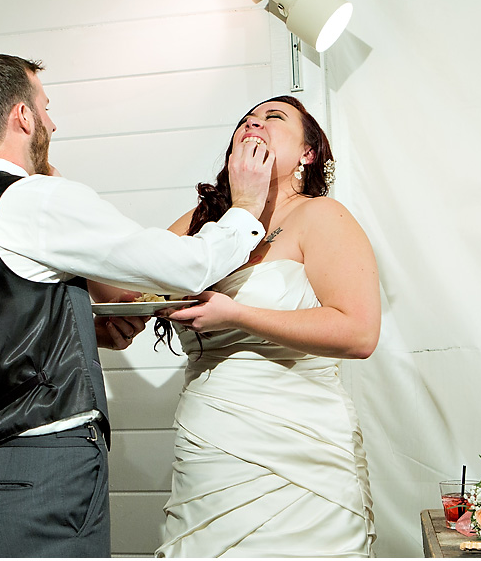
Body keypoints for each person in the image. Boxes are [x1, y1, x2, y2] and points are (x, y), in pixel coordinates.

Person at [0, 52, 273, 557]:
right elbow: (185, 266)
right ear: (22, 117)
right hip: (51, 471)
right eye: (45, 107)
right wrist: (245, 208)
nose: (52, 121)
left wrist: (83, 325)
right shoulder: (38, 199)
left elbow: (9, 316)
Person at [153, 96, 381, 557]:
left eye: (273, 119)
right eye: (246, 121)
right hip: (211, 443)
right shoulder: (202, 224)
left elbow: (359, 332)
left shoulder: (321, 216)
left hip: (302, 445)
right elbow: (128, 287)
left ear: (308, 153)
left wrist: (237, 315)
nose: (255, 125)